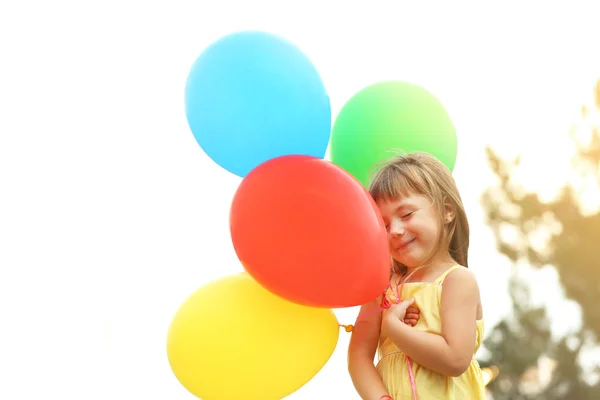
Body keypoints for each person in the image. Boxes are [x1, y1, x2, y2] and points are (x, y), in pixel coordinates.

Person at [347, 152, 486, 400]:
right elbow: (359, 356)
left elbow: (455, 359)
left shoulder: (457, 281)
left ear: (447, 211)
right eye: (385, 224)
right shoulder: (381, 289)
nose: (396, 231)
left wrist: (393, 327)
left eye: (407, 214)